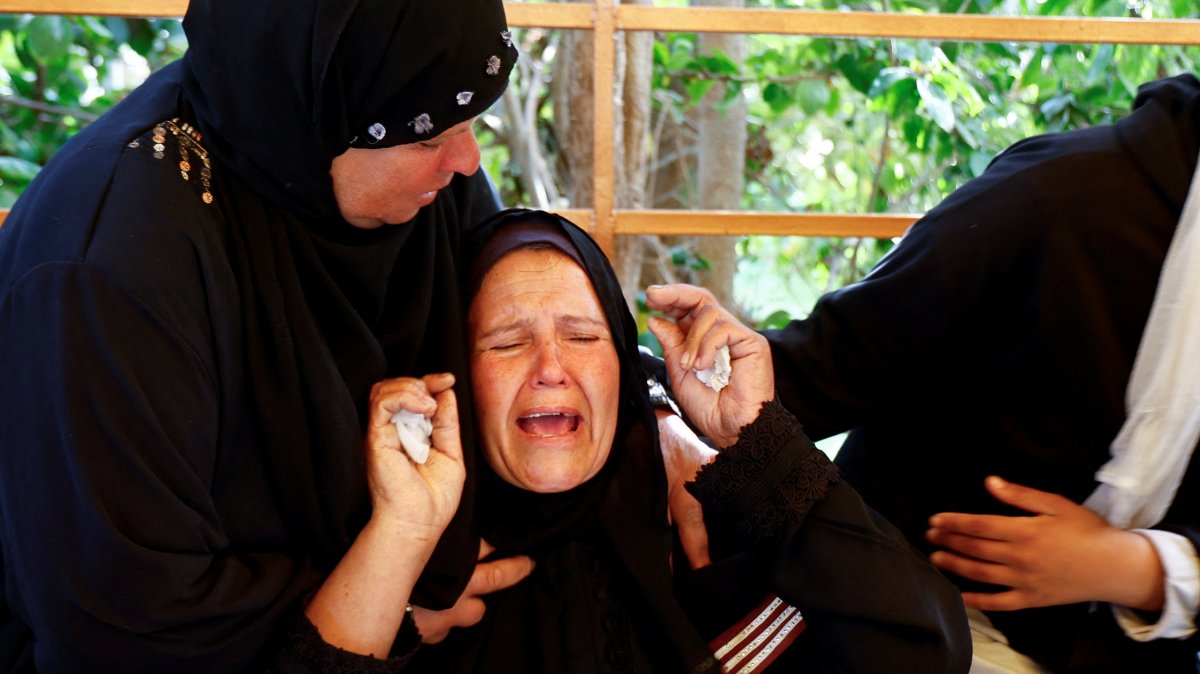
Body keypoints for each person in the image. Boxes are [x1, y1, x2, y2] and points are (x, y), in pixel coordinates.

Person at [0, 1, 532, 671]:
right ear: (315, 114)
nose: (466, 159)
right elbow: (122, 622)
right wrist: (389, 599)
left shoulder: (404, 162)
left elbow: (527, 325)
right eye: (429, 137)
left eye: (473, 119)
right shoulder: (116, 266)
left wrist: (651, 410)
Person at [647, 73, 1200, 673]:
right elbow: (817, 370)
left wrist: (1141, 569)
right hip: (910, 617)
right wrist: (661, 404)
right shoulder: (1062, 198)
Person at [396, 209, 971, 673]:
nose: (551, 367)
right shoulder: (418, 571)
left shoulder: (704, 517)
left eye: (582, 335)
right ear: (456, 374)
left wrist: (758, 440)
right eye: (505, 343)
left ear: (622, 367)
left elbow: (925, 648)